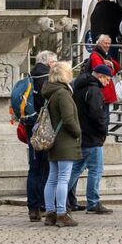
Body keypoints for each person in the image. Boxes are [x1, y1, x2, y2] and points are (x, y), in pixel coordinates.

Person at [67, 64, 113, 215]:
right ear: (100, 76)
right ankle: (93, 202)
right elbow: (97, 115)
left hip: (80, 134)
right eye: (107, 79)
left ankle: (58, 196)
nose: (108, 82)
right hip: (92, 137)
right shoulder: (94, 90)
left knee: (76, 169)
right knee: (95, 170)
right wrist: (103, 131)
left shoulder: (79, 86)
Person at [41, 61, 82, 228]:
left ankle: (50, 213)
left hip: (53, 140)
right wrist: (77, 132)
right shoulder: (63, 93)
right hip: (65, 141)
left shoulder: (50, 92)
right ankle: (61, 213)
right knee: (63, 178)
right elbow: (68, 119)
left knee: (52, 178)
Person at [25, 50, 57, 222]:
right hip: (45, 127)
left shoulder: (30, 76)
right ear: (49, 62)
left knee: (33, 168)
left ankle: (32, 208)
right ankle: (44, 204)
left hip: (31, 126)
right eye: (55, 62)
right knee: (46, 167)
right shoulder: (47, 79)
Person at [90, 34, 120, 107]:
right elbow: (106, 73)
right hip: (102, 94)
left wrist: (110, 62)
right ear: (99, 43)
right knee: (103, 113)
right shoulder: (95, 56)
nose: (108, 45)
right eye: (105, 43)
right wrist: (110, 66)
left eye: (109, 43)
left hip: (104, 93)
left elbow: (118, 68)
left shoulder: (104, 55)